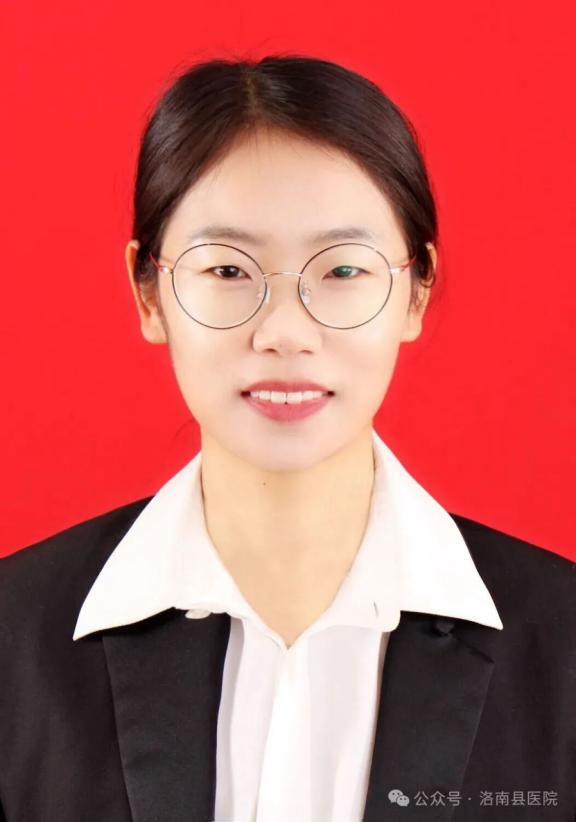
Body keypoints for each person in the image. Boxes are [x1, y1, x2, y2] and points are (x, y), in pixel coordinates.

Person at [0, 54, 574, 822]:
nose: (284, 333)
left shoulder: (563, 646)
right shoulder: (14, 640)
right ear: (148, 293)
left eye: (343, 270)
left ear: (416, 292)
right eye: (228, 271)